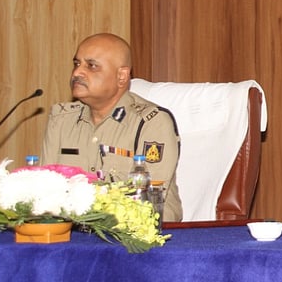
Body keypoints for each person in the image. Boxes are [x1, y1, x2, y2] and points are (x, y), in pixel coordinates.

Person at [41, 33, 183, 222]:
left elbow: (146, 201)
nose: (77, 73)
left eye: (91, 66)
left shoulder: (151, 122)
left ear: (121, 76)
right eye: (77, 64)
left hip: (137, 233)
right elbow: (43, 189)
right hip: (68, 229)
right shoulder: (62, 120)